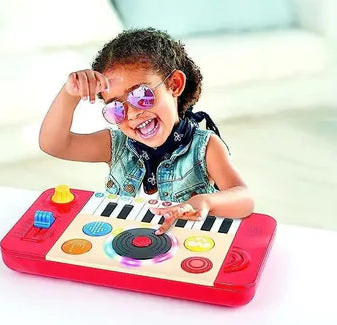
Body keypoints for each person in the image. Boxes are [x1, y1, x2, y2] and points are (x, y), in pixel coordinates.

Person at [39, 27, 254, 234]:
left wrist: (206, 202)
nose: (132, 114)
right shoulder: (116, 145)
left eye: (141, 95)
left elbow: (245, 199)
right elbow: (54, 144)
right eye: (116, 107)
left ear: (175, 84)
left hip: (182, 249)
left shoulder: (204, 147)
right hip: (122, 246)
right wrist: (70, 94)